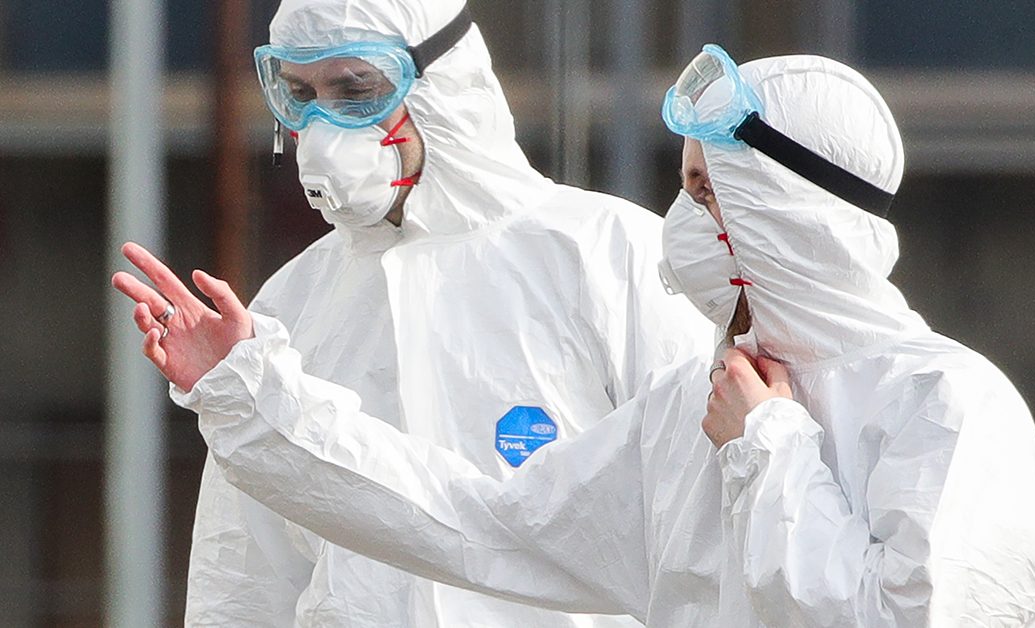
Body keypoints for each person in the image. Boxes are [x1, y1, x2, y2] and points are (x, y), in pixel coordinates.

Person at [118, 46, 1035, 626]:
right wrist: (254, 398)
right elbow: (476, 523)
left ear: (787, 210)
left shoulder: (947, 405)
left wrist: (769, 449)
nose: (680, 221)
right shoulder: (688, 414)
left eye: (704, 190)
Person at [110, 0, 712, 626]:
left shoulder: (612, 255)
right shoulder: (292, 302)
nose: (322, 125)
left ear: (441, 83)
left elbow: (699, 532)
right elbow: (244, 577)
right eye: (300, 94)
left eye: (355, 90)